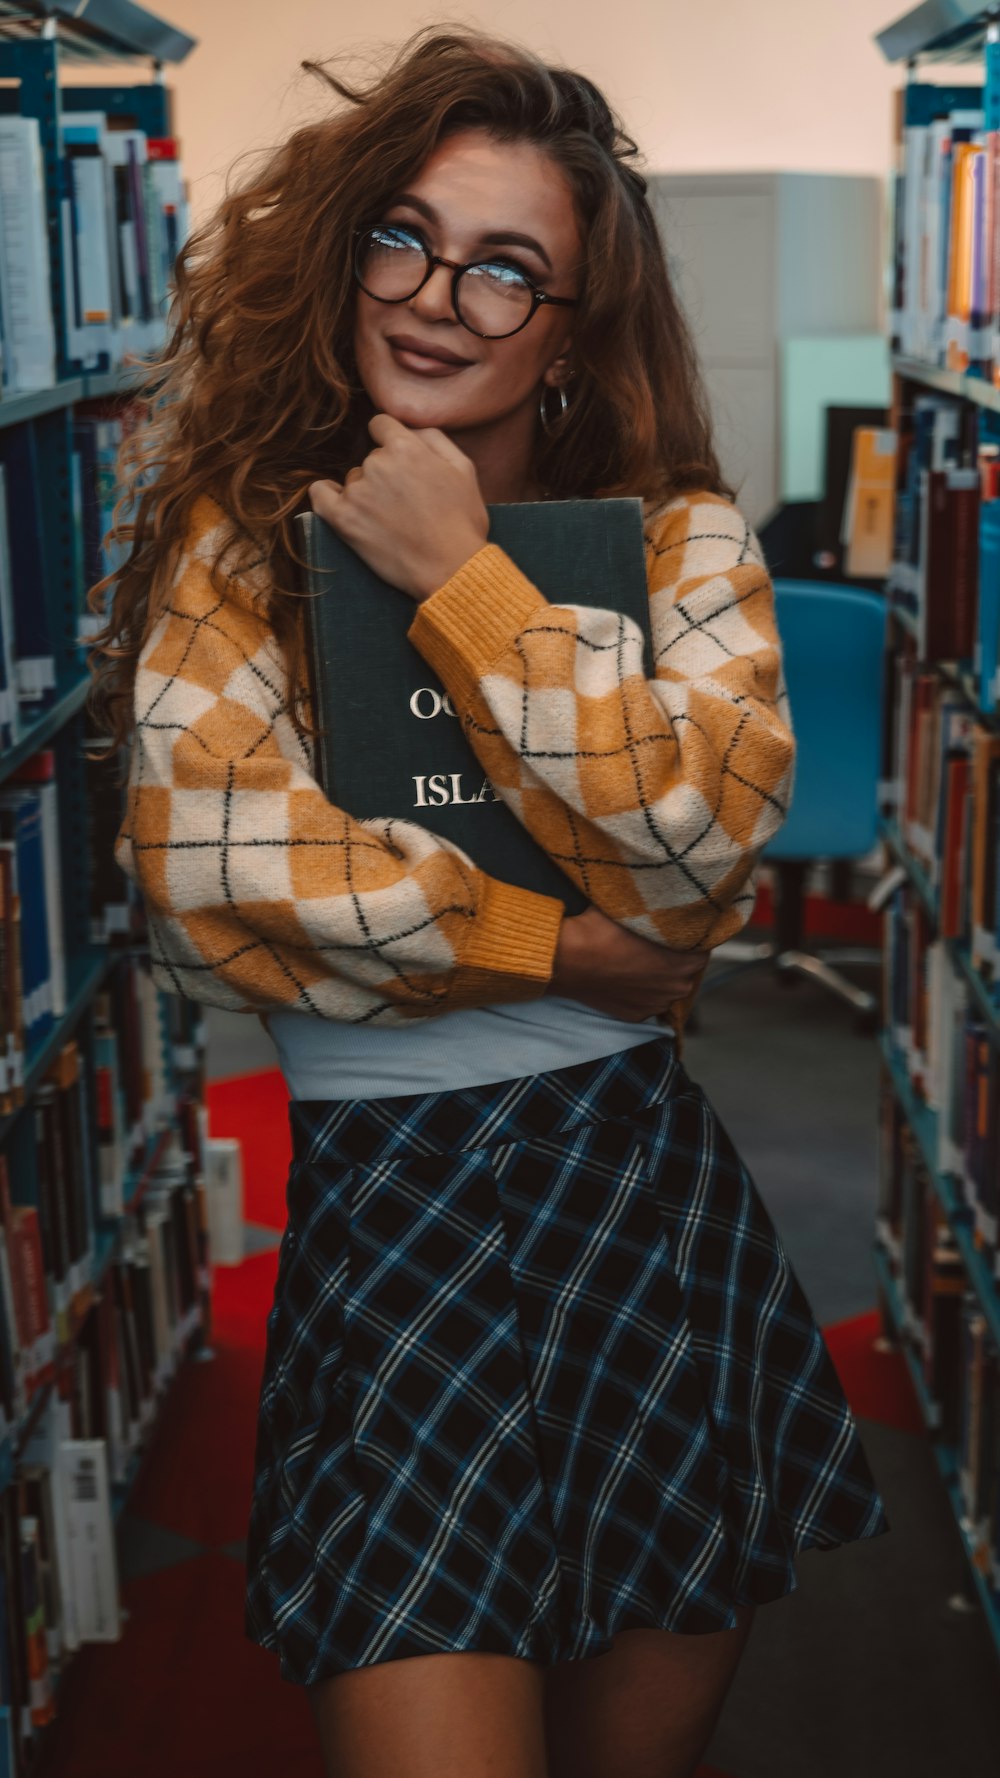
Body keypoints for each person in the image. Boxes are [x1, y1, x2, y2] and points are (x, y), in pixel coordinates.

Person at [89, 27, 891, 1778]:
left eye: (507, 268)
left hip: (640, 1206)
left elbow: (693, 853)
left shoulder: (675, 540)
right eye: (407, 235)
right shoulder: (241, 541)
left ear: (572, 324)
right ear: (346, 243)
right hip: (396, 1230)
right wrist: (562, 943)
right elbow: (214, 871)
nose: (440, 296)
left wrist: (460, 576)